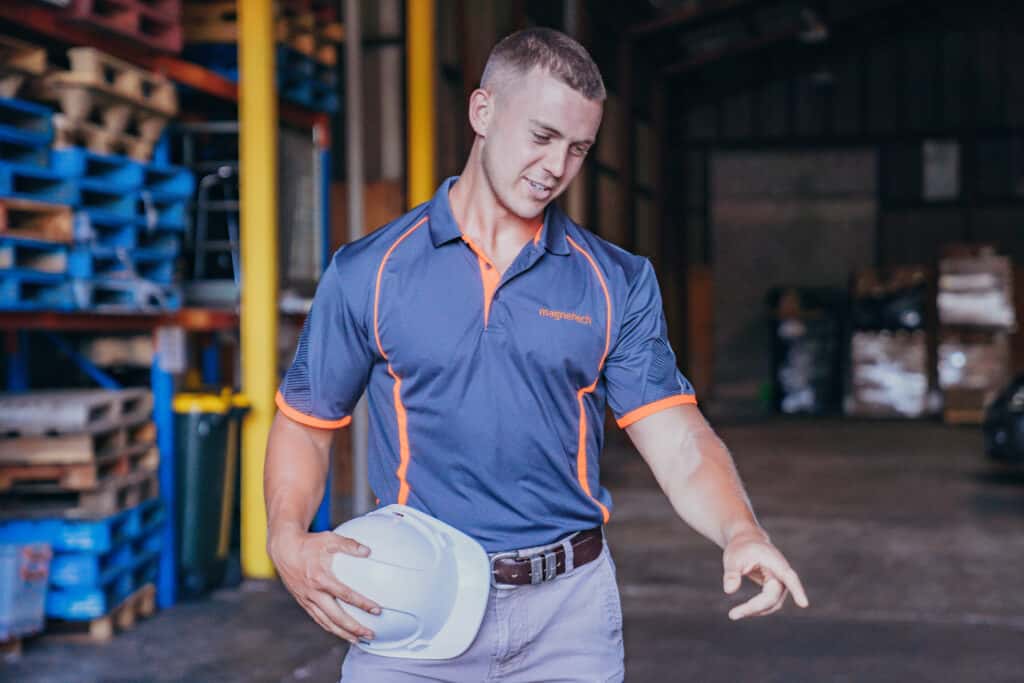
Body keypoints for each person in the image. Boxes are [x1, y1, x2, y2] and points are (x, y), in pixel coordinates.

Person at [265, 27, 809, 682]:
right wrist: (285, 536)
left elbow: (678, 439)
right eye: (542, 136)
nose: (557, 166)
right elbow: (306, 421)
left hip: (569, 616)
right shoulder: (371, 271)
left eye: (578, 148)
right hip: (416, 603)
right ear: (483, 112)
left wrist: (739, 528)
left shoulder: (615, 281)